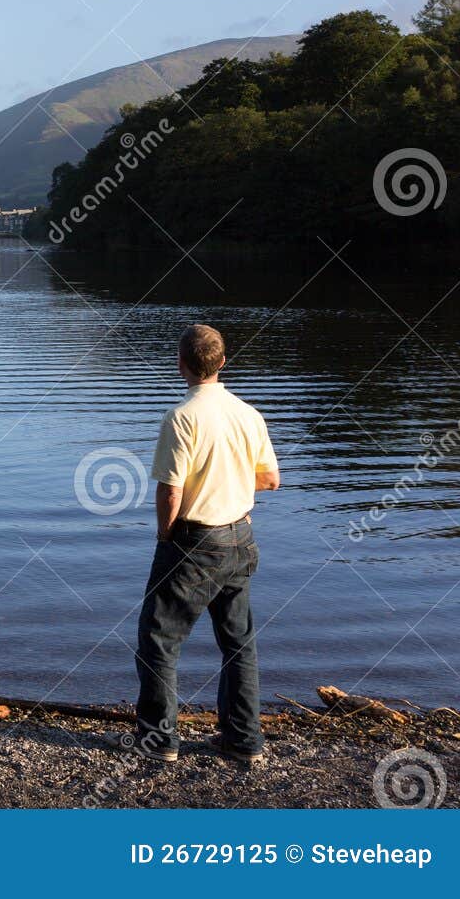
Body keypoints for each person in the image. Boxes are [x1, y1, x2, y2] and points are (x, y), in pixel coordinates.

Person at [133, 324, 280, 764]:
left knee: (159, 638)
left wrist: (165, 534)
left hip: (194, 540)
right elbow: (271, 479)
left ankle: (159, 742)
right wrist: (232, 480)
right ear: (222, 362)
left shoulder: (182, 416)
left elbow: (170, 490)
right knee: (238, 643)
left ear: (181, 365)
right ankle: (244, 740)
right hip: (240, 535)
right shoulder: (248, 413)